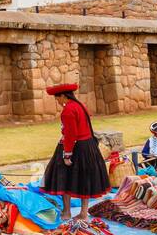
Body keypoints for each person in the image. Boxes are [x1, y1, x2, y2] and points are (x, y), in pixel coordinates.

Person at [41, 83, 109, 220]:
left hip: (76, 148)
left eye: (57, 98)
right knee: (85, 179)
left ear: (63, 96)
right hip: (88, 146)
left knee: (64, 178)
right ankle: (84, 213)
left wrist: (67, 155)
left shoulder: (68, 110)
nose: (58, 101)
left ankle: (66, 212)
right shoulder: (80, 106)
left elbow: (71, 134)